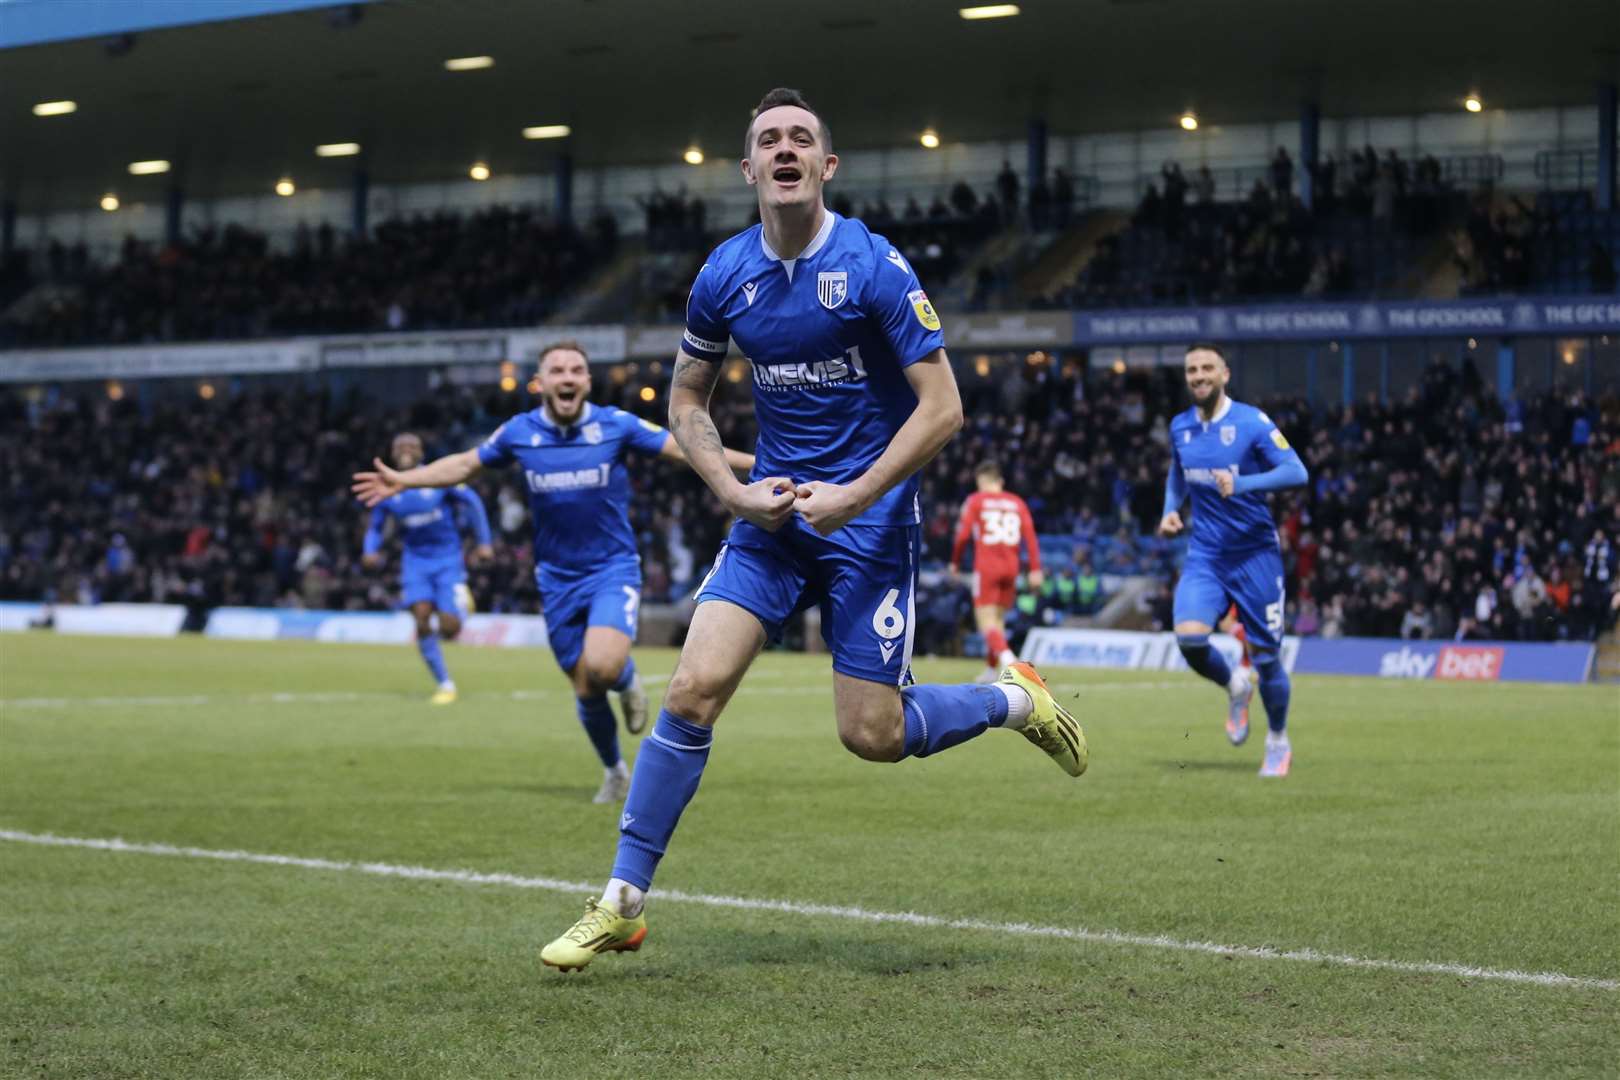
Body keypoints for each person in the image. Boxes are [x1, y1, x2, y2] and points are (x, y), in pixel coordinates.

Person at [538, 87, 1087, 972]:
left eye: (801, 139)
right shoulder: (724, 276)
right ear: (748, 168)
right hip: (773, 523)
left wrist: (857, 494)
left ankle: (1014, 700)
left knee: (870, 734)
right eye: (768, 140)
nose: (785, 149)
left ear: (826, 167)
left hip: (869, 525)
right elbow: (686, 399)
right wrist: (731, 488)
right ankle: (621, 903)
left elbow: (943, 409)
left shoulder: (872, 265)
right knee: (689, 690)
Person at [353, 342, 754, 804]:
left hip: (611, 568)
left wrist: (757, 465)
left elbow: (687, 448)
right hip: (555, 577)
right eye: (557, 370)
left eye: (577, 370)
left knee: (602, 665)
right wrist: (405, 479)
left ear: (586, 381)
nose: (567, 377)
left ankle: (625, 679)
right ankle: (614, 771)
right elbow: (465, 465)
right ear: (541, 383)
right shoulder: (519, 433)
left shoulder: (614, 424)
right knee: (584, 686)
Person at [1157, 343, 1307, 777]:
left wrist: (1243, 483)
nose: (1198, 375)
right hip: (1205, 553)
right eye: (1191, 369)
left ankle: (1277, 739)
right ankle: (1235, 686)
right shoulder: (1180, 427)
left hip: (1255, 554)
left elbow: (1297, 471)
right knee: (1189, 638)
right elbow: (1176, 473)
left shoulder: (1252, 422)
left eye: (1207, 368)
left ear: (1224, 374)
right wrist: (1171, 509)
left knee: (1266, 657)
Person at [360, 432, 493, 705]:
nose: (406, 450)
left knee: (449, 629)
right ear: (392, 453)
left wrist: (484, 543)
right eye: (400, 446)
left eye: (412, 446)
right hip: (415, 561)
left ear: (422, 452)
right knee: (421, 618)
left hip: (447, 559)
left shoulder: (437, 477)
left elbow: (473, 503)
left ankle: (460, 605)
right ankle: (445, 683)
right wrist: (369, 550)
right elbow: (375, 526)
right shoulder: (389, 489)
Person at [949, 462, 1042, 681]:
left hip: (987, 567)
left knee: (985, 621)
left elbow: (962, 536)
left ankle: (1011, 662)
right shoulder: (1016, 502)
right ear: (1000, 481)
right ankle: (991, 669)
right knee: (998, 621)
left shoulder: (976, 501)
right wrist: (1036, 569)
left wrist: (955, 562)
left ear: (981, 481)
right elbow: (1030, 537)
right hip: (1011, 568)